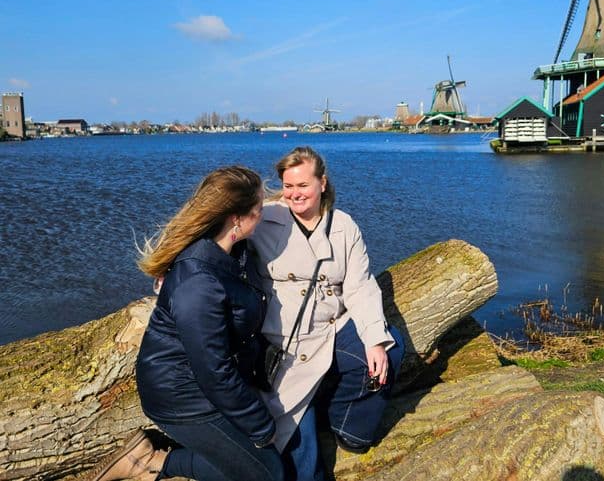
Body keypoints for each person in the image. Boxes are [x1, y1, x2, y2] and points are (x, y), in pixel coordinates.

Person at [85, 166, 283, 481]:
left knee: (264, 466)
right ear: (235, 217)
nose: (264, 214)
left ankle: (152, 461)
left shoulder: (228, 251)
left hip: (202, 384)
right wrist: (260, 425)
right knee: (269, 475)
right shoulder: (199, 282)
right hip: (183, 396)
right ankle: (150, 462)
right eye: (259, 209)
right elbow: (213, 370)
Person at [250, 147, 404, 481]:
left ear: (322, 183)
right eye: (288, 186)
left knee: (388, 351)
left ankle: (348, 427)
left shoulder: (344, 226)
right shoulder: (264, 218)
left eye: (302, 185)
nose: (294, 194)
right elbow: (215, 231)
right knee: (296, 444)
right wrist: (173, 265)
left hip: (332, 326)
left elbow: (360, 286)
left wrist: (374, 339)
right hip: (285, 337)